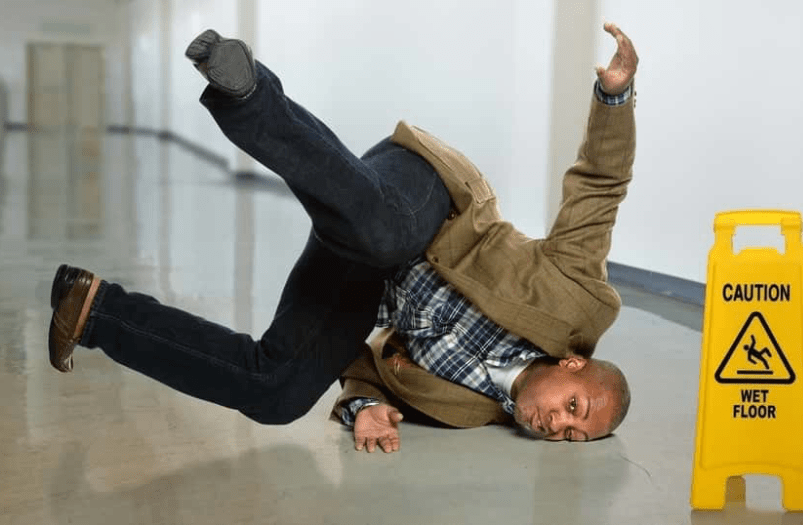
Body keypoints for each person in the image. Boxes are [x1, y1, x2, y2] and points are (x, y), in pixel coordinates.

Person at [47, 22, 638, 453]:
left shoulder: (468, 411)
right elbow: (598, 189)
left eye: (571, 434)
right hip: (424, 203)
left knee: (276, 393)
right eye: (572, 408)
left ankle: (95, 312)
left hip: (361, 276)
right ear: (574, 362)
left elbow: (370, 366)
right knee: (385, 234)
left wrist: (364, 405)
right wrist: (615, 96)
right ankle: (249, 96)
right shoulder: (575, 300)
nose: (555, 424)